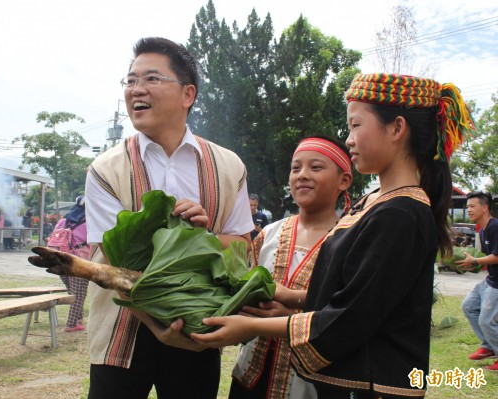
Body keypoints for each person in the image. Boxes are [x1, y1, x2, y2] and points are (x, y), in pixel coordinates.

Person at [192, 73, 476, 398]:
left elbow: (350, 317)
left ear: (397, 128)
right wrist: (291, 296)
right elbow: (355, 290)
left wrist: (252, 326)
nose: (350, 138)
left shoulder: (402, 213)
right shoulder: (373, 202)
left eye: (356, 125)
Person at [84, 37, 253, 399]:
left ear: (187, 94)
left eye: (151, 79)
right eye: (130, 81)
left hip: (197, 330)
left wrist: (203, 235)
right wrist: (196, 244)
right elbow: (116, 262)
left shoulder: (229, 166)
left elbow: (241, 248)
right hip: (121, 332)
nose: (135, 90)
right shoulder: (105, 169)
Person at [230, 136, 352, 399]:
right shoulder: (268, 234)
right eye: (296, 168)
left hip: (311, 384)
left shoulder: (351, 240)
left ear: (344, 181)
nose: (302, 175)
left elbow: (351, 309)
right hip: (250, 376)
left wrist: (293, 312)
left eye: (316, 167)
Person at [459, 191, 498, 371]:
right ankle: (488, 346)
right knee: (469, 305)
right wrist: (472, 265)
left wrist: (474, 261)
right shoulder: (483, 230)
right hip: (490, 279)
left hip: (497, 284)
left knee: (486, 320)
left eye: (472, 206)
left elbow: (497, 256)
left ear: (485, 207)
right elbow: (486, 258)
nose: (469, 210)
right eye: (467, 207)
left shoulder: (495, 226)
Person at [50, 196, 91, 332]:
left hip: (60, 261)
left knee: (73, 292)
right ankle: (71, 324)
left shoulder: (63, 221)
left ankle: (78, 320)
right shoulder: (88, 223)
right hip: (79, 261)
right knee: (79, 294)